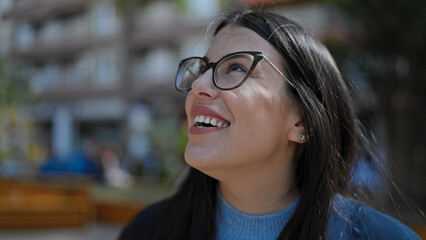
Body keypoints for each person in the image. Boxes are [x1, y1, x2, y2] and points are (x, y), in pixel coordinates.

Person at [119, 10, 420, 240]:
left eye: (236, 67)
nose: (198, 85)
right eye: (202, 69)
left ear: (302, 120)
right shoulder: (147, 232)